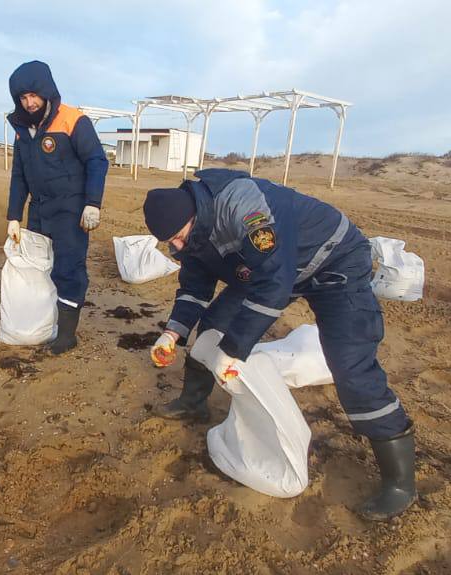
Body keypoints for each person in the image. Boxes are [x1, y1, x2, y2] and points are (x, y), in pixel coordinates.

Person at [142, 168, 416, 521]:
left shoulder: (244, 206)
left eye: (179, 237)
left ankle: (400, 483)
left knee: (350, 364)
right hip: (269, 271)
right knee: (210, 332)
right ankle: (193, 403)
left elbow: (274, 286)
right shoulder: (191, 237)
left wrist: (234, 351)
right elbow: (194, 291)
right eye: (171, 243)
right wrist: (171, 333)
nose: (177, 247)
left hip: (332, 262)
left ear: (194, 215)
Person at [5, 61, 108, 354]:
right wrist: (14, 216)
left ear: (46, 91)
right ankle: (43, 322)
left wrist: (92, 203)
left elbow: (97, 161)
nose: (29, 103)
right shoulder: (22, 130)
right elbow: (19, 175)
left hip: (71, 211)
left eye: (33, 95)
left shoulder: (73, 120)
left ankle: (66, 335)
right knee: (40, 267)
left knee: (68, 269)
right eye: (23, 98)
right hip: (39, 210)